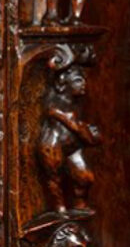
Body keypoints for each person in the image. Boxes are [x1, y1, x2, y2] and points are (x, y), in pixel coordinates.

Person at [38, 64, 101, 215]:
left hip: (72, 145)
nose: (83, 84)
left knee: (85, 177)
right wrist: (79, 128)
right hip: (53, 145)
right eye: (78, 80)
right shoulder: (54, 101)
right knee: (54, 177)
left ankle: (80, 204)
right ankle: (59, 208)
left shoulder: (76, 103)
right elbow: (54, 112)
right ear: (63, 84)